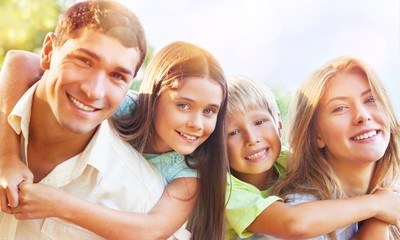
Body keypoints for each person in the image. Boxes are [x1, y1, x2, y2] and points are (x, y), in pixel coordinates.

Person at [0, 41, 229, 239]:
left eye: (209, 111)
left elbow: (153, 231)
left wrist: (60, 204)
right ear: (154, 96)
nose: (197, 123)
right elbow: (19, 60)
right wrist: (7, 156)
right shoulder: (123, 106)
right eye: (183, 105)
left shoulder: (189, 174)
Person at [0, 1, 167, 239]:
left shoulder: (141, 198)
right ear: (48, 52)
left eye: (117, 76)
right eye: (84, 61)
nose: (94, 91)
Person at [224, 75, 400, 240]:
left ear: (278, 124)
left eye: (259, 122)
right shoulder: (225, 190)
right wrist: (377, 204)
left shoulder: (291, 162)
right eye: (233, 132)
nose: (252, 138)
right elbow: (293, 223)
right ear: (217, 149)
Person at [273, 56, 400, 239]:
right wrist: (379, 214)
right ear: (317, 135)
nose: (362, 116)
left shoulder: (392, 192)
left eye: (371, 99)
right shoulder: (301, 209)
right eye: (340, 108)